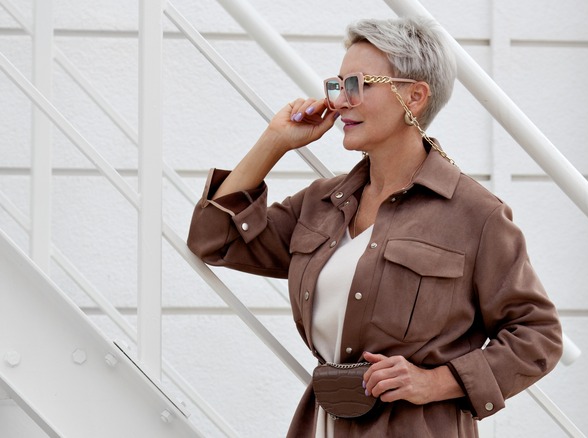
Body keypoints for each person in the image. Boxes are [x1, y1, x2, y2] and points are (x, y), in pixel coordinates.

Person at [187, 16, 562, 438]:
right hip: (321, 425)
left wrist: (436, 381)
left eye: (358, 85)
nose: (340, 102)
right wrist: (274, 142)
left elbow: (538, 334)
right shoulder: (320, 205)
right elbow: (213, 240)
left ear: (415, 96)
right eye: (337, 85)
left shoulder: (475, 215)